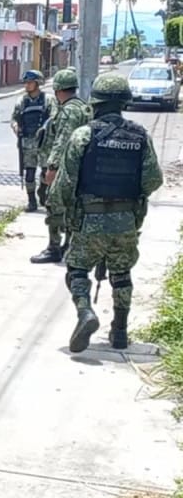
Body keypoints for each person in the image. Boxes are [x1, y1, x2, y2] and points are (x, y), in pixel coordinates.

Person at [47, 72, 163, 353]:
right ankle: (120, 331)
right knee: (122, 274)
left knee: (77, 269)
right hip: (125, 220)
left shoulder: (83, 135)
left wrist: (58, 214)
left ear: (95, 103)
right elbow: (153, 180)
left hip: (89, 219)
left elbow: (64, 185)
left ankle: (85, 312)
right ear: (124, 102)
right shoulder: (139, 136)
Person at [30, 68, 92, 264]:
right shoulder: (83, 107)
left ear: (57, 89)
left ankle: (54, 247)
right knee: (73, 208)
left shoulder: (69, 111)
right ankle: (68, 245)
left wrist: (52, 168)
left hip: (66, 169)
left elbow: (62, 140)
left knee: (54, 206)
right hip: (81, 168)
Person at [11, 70, 57, 212]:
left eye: (30, 82)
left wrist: (45, 128)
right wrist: (15, 126)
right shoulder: (22, 101)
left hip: (43, 143)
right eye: (26, 82)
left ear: (37, 83)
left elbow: (54, 117)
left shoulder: (48, 99)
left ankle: (42, 192)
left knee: (45, 171)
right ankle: (31, 201)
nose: (27, 85)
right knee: (29, 173)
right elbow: (14, 118)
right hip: (27, 142)